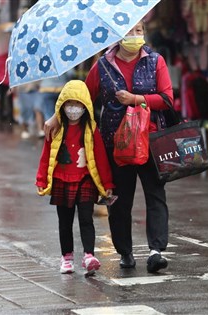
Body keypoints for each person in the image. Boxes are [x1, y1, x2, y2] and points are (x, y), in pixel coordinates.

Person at [44, 21, 174, 273]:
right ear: (117, 36)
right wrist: (57, 116)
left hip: (150, 141)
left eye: (139, 31)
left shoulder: (155, 61)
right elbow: (83, 97)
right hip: (115, 145)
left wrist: (136, 99)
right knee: (119, 201)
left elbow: (167, 99)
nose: (135, 36)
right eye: (130, 31)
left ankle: (156, 250)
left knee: (156, 196)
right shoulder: (102, 66)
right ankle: (125, 252)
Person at [36, 80, 114, 275]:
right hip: (62, 180)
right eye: (69, 104)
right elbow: (47, 156)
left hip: (85, 180)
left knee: (86, 219)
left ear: (86, 106)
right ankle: (67, 257)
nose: (74, 109)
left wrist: (107, 183)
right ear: (62, 105)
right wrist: (41, 179)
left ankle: (89, 255)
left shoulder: (91, 129)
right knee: (65, 222)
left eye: (78, 104)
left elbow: (100, 158)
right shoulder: (55, 129)